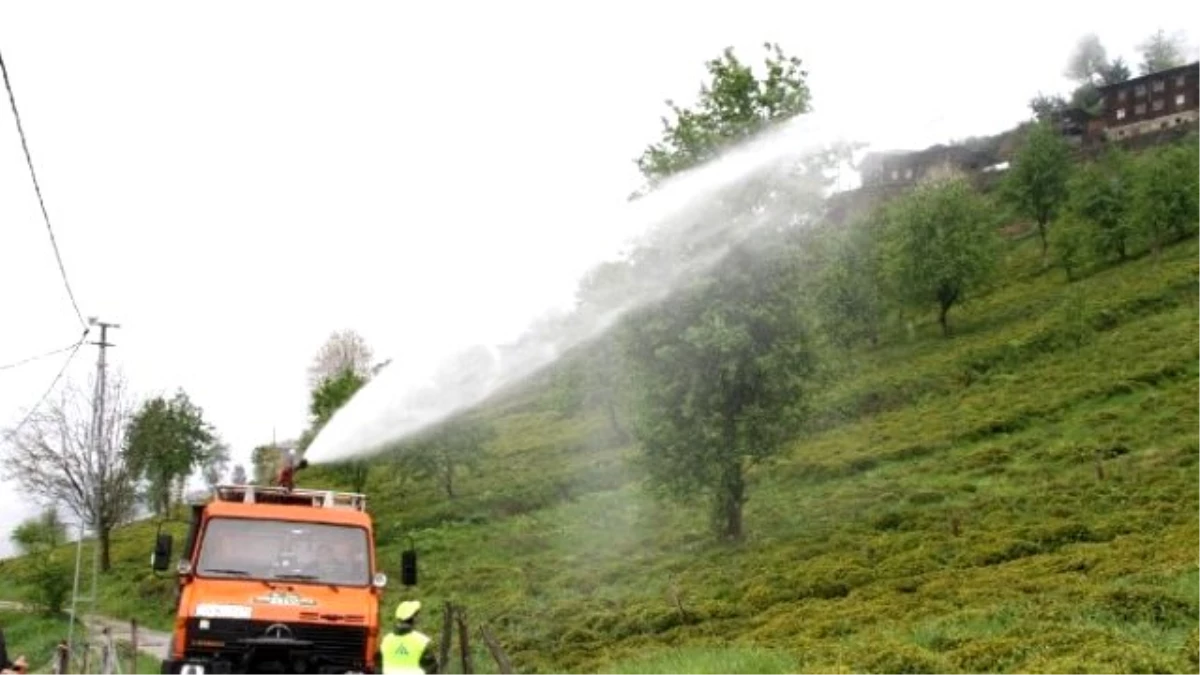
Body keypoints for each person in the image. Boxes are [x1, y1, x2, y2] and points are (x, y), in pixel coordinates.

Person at [378, 600, 438, 675]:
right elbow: (431, 668)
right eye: (417, 614)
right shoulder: (421, 641)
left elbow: (378, 667)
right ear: (414, 618)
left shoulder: (386, 640)